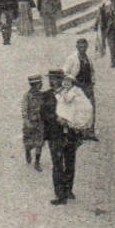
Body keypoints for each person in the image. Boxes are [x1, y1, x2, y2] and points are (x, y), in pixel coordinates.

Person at [47, 68, 92, 205]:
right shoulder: (47, 95)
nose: (51, 81)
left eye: (55, 79)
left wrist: (73, 124)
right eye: (50, 79)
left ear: (61, 80)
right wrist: (56, 118)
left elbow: (82, 109)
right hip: (55, 134)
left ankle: (68, 189)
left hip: (71, 133)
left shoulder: (72, 93)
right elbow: (44, 114)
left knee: (70, 162)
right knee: (57, 164)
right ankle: (60, 195)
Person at [62, 37, 98, 140]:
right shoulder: (72, 58)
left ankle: (90, 132)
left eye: (84, 46)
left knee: (91, 108)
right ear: (77, 47)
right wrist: (73, 81)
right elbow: (64, 72)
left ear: (87, 47)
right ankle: (78, 132)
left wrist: (92, 82)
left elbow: (92, 71)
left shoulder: (88, 58)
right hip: (77, 87)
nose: (82, 48)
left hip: (88, 87)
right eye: (80, 46)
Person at [22, 74, 47, 170]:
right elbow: (24, 109)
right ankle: (28, 151)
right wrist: (26, 121)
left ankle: (37, 162)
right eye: (39, 83)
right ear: (34, 85)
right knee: (29, 141)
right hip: (30, 122)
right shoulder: (27, 96)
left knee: (39, 142)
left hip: (40, 122)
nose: (41, 85)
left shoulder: (42, 95)